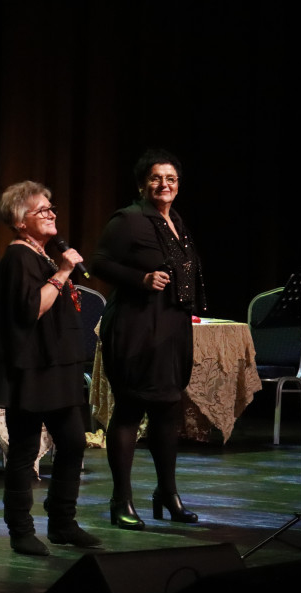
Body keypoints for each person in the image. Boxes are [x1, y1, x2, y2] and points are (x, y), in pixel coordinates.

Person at [91, 149, 207, 530]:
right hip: (137, 326)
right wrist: (141, 279)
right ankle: (120, 500)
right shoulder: (128, 219)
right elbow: (100, 264)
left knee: (167, 410)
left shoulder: (175, 220)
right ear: (142, 183)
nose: (164, 185)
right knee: (130, 410)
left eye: (171, 179)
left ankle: (166, 494)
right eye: (157, 178)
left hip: (171, 326)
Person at [0, 181, 100, 556]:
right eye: (42, 210)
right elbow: (32, 307)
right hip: (32, 369)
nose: (52, 214)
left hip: (57, 367)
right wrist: (64, 272)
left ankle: (63, 522)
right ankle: (20, 529)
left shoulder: (44, 255)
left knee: (73, 442)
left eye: (51, 208)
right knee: (24, 449)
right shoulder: (19, 257)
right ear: (20, 222)